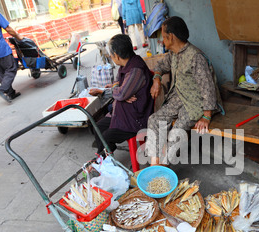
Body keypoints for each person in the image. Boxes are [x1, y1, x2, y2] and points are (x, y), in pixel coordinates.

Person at [146, 16, 222, 166]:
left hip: (196, 103)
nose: (162, 40)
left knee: (177, 132)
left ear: (171, 37)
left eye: (163, 35)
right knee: (154, 120)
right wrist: (156, 80)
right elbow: (160, 66)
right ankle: (154, 166)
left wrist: (206, 116)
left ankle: (164, 167)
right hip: (178, 97)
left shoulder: (195, 57)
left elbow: (208, 87)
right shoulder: (174, 54)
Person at [90, 34, 154, 157]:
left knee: (106, 136)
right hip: (123, 112)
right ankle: (106, 154)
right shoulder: (125, 65)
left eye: (111, 54)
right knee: (97, 127)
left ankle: (102, 159)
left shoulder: (135, 69)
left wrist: (120, 93)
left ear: (117, 56)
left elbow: (120, 94)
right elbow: (117, 85)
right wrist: (121, 92)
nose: (111, 57)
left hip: (135, 119)